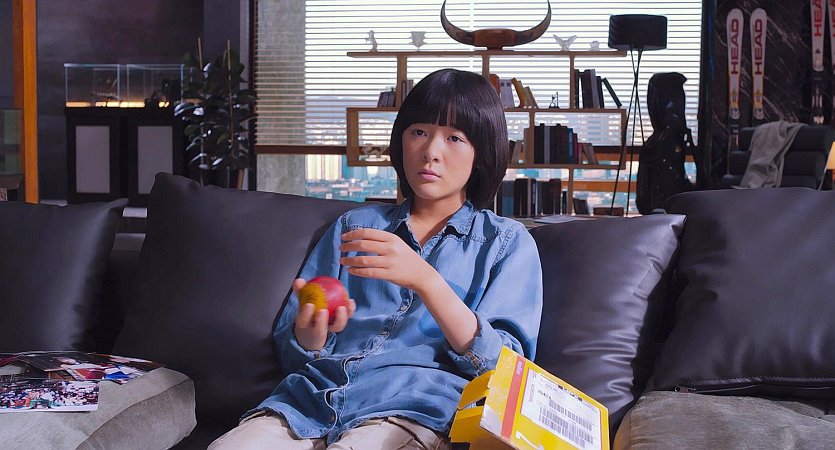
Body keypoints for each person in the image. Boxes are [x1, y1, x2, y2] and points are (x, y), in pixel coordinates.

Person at [209, 68, 543, 449]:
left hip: (410, 411)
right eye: (419, 132)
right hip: (310, 403)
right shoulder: (356, 226)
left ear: (480, 153)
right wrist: (310, 334)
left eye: (454, 138)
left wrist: (426, 280)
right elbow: (293, 350)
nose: (430, 152)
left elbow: (506, 372)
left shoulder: (505, 243)